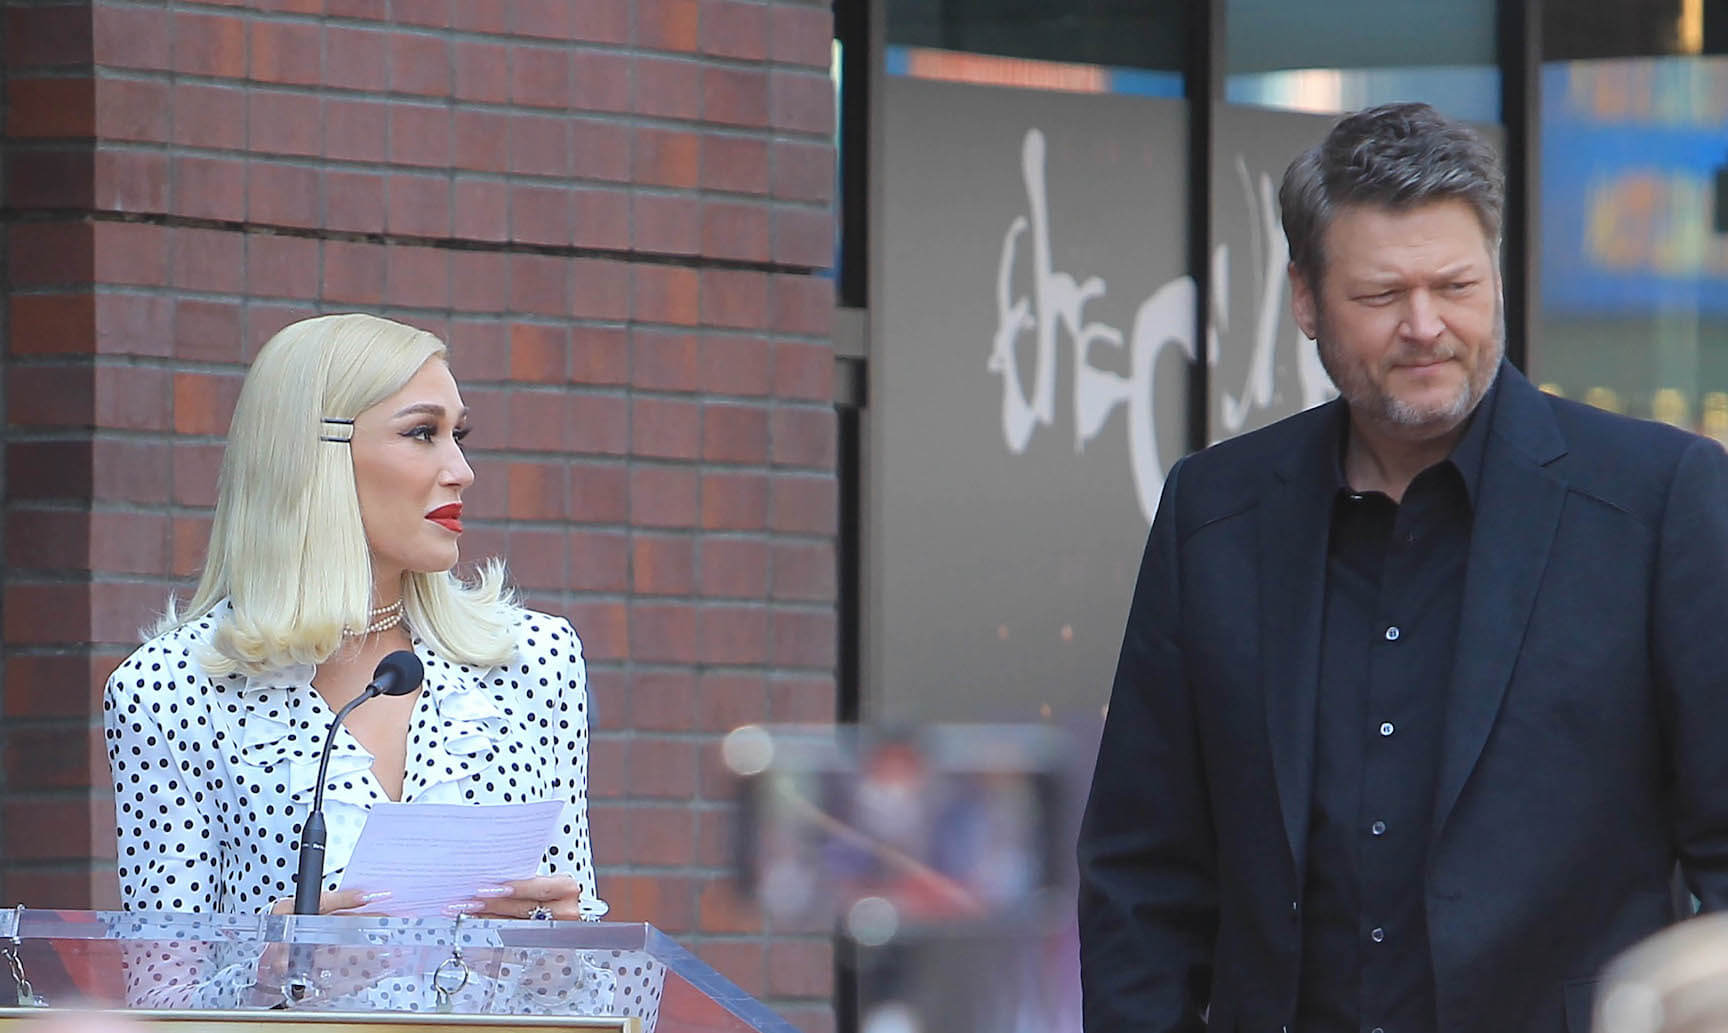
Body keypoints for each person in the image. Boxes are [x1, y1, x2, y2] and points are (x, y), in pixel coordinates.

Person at [1076, 102, 1728, 1033]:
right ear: (1305, 298)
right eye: (1382, 296)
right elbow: (1143, 866)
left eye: (1456, 285)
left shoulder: (1659, 500)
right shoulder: (1213, 513)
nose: (1426, 326)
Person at [103, 313, 605, 922]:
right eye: (423, 433)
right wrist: (272, 968)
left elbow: (583, 957)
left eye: (458, 436)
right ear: (315, 456)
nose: (461, 470)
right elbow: (160, 993)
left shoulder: (535, 658)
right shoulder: (169, 690)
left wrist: (554, 951)